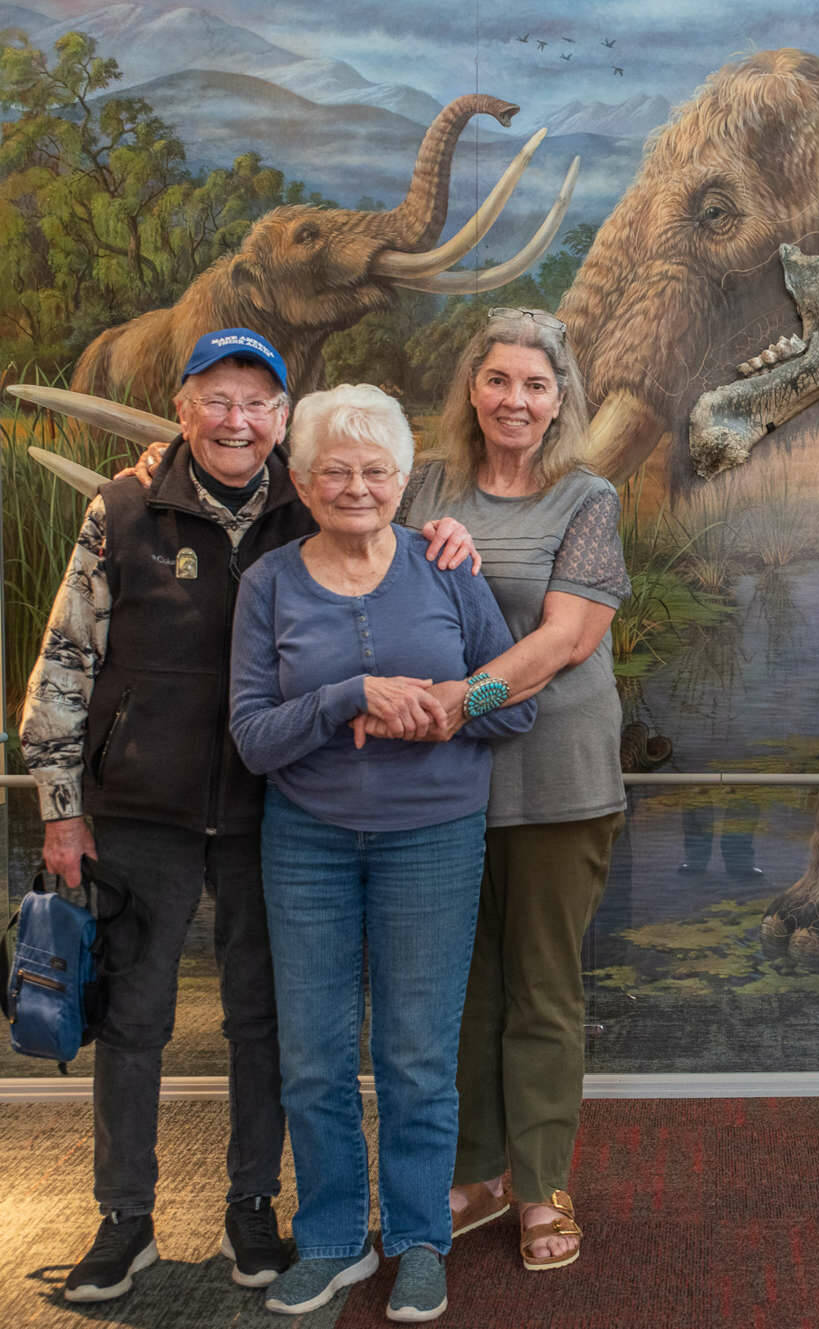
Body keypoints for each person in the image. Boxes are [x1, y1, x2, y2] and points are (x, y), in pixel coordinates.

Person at [19, 329, 476, 1305]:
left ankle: (253, 1207)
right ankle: (124, 1220)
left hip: (274, 808)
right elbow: (65, 659)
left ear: (281, 420)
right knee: (133, 1019)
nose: (236, 420)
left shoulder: (307, 499)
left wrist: (445, 532)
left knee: (266, 1025)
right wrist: (61, 807)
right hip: (144, 804)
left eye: (256, 403)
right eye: (216, 400)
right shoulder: (124, 507)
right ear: (183, 409)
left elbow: (384, 527)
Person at [229, 384, 534, 1322]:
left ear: (402, 480)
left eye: (375, 471)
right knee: (314, 1056)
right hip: (306, 842)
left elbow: (514, 701)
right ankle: (331, 1241)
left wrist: (454, 704)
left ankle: (418, 1239)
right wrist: (347, 696)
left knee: (415, 1054)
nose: (356, 487)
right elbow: (252, 737)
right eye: (335, 471)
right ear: (301, 481)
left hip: (434, 841)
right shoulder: (268, 583)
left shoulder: (448, 568)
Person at [391, 307, 631, 1272]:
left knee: (540, 986)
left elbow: (567, 638)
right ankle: (477, 1172)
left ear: (561, 399)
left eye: (536, 385)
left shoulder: (587, 497)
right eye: (498, 380)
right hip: (443, 784)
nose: (515, 400)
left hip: (558, 780)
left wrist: (463, 699)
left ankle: (540, 1183)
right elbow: (353, 544)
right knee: (464, 986)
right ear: (472, 386)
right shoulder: (425, 484)